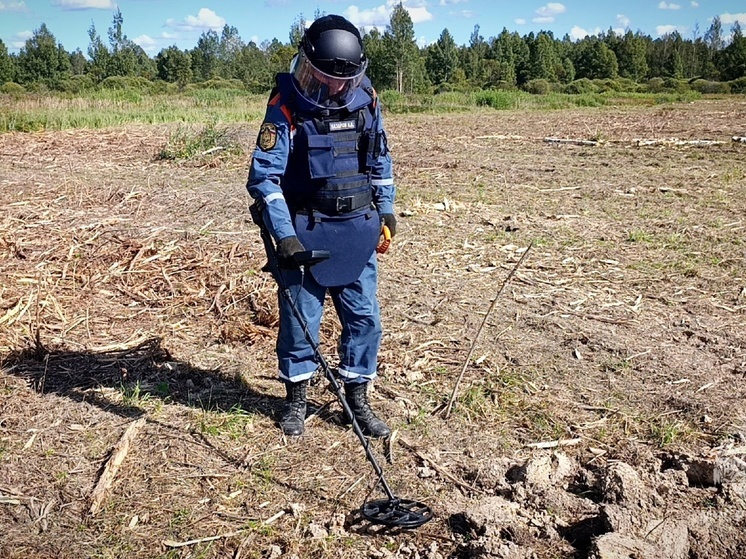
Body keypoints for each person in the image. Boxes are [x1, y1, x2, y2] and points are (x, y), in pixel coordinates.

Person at [246, 14, 397, 438]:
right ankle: (296, 400)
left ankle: (357, 397)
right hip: (304, 231)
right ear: (308, 64)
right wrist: (285, 237)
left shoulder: (367, 100)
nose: (332, 87)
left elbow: (380, 161)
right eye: (324, 76)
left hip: (357, 228)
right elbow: (264, 178)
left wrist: (385, 211)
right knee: (300, 322)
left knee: (365, 319)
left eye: (341, 79)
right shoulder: (286, 106)